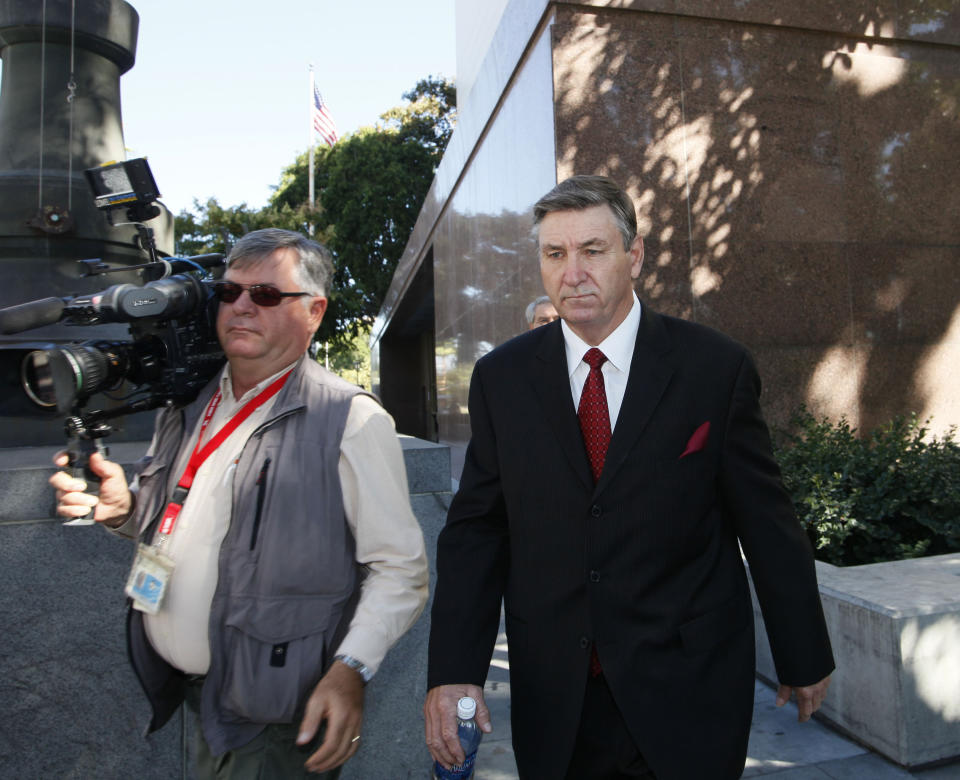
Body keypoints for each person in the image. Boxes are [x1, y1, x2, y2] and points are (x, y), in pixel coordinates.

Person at [424, 176, 833, 779]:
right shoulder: (500, 379)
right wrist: (455, 670)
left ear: (634, 255)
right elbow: (478, 529)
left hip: (688, 689)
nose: (572, 272)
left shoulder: (713, 369)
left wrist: (802, 653)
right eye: (554, 254)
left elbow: (765, 520)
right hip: (556, 696)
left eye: (593, 250)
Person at [51, 228, 429, 778]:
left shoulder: (350, 419)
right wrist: (124, 511)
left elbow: (401, 569)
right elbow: (183, 519)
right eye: (229, 293)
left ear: (314, 312)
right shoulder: (188, 402)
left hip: (275, 715)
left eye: (267, 295)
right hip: (195, 697)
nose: (242, 306)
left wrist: (351, 668)